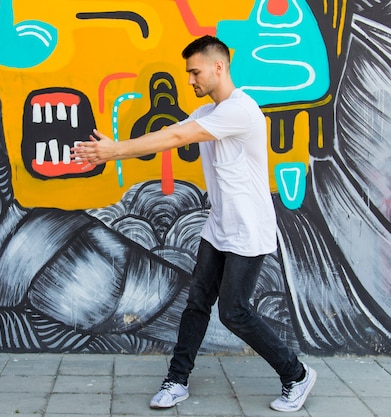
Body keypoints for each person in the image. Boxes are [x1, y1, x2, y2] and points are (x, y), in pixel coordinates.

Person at [72, 35, 316, 412]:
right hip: (218, 227)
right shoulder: (207, 115)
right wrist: (115, 150)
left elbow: (177, 135)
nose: (190, 80)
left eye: (194, 72)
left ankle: (296, 375)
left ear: (218, 67)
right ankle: (177, 380)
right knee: (197, 303)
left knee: (233, 312)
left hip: (248, 231)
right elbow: (170, 138)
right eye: (188, 73)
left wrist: (116, 149)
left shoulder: (241, 110)